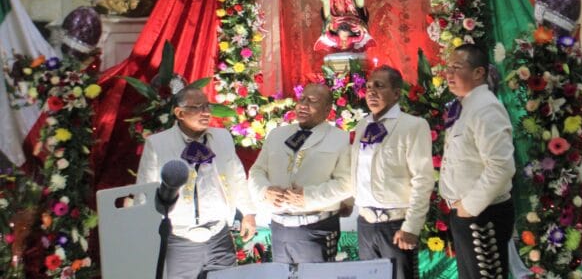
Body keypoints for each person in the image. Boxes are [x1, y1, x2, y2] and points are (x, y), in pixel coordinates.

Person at [136, 86, 256, 279]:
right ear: (179, 113)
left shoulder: (222, 137)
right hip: (179, 237)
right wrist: (146, 234)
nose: (206, 112)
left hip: (219, 233)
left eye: (207, 106)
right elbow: (145, 191)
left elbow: (237, 176)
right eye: (198, 107)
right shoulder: (158, 144)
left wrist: (248, 213)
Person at [249, 83, 352, 263]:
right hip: (280, 228)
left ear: (328, 109)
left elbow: (347, 183)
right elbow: (257, 170)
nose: (303, 105)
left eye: (312, 101)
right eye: (302, 99)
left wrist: (308, 197)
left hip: (315, 228)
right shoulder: (277, 134)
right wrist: (265, 191)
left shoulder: (339, 138)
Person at [439, 43, 516, 279]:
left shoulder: (486, 108)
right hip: (466, 213)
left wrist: (468, 207)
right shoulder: (466, 105)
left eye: (456, 67)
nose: (448, 74)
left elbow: (501, 167)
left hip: (482, 214)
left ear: (478, 73)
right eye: (448, 68)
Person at [350, 66, 434, 279]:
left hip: (396, 225)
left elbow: (423, 179)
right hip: (366, 224)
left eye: (379, 86)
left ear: (396, 93)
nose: (371, 91)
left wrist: (412, 226)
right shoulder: (363, 125)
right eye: (368, 87)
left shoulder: (413, 126)